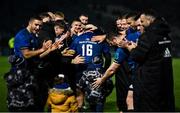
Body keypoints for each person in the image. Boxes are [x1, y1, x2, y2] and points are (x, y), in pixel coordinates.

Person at [119, 10, 175, 111]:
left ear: (149, 20)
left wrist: (128, 46)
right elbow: (153, 52)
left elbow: (137, 56)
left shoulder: (148, 36)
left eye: (142, 22)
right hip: (164, 79)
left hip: (149, 82)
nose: (141, 25)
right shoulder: (165, 35)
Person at [4, 15, 52, 112]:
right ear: (30, 23)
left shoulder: (32, 36)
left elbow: (36, 57)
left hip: (29, 73)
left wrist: (49, 50)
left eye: (40, 26)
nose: (38, 27)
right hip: (19, 75)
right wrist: (42, 49)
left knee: (31, 104)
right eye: (36, 25)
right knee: (19, 105)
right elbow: (26, 54)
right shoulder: (23, 35)